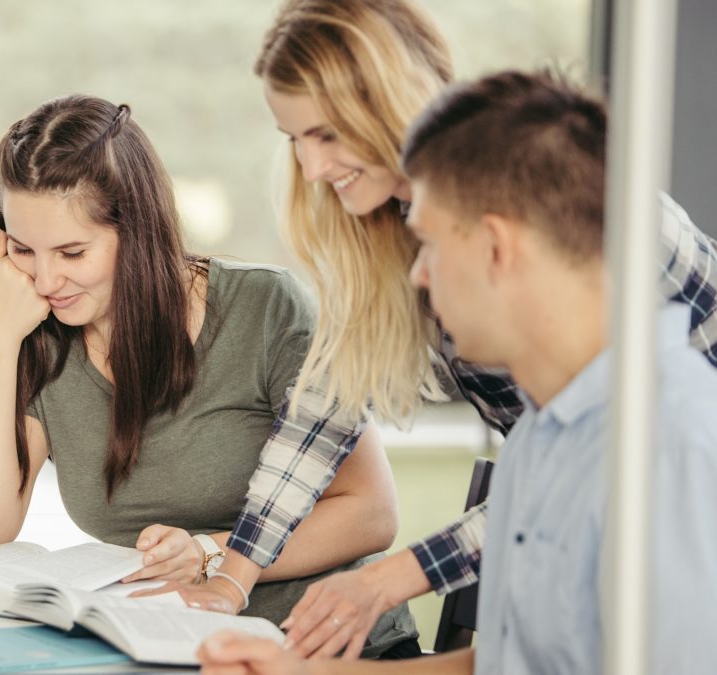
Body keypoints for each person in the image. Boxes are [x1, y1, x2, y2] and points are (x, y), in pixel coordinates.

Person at [180, 0, 717, 660]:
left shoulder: (668, 434)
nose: (310, 170)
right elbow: (321, 415)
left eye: (324, 134)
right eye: (293, 139)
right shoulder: (539, 445)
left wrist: (387, 579)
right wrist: (235, 575)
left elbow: (641, 456)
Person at [0, 93, 421, 658]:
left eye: (72, 252)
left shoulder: (265, 309)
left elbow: (372, 511)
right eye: (23, 249)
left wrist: (211, 553)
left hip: (323, 646)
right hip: (167, 650)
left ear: (136, 233)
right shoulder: (41, 332)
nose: (45, 279)